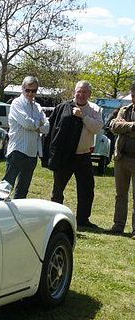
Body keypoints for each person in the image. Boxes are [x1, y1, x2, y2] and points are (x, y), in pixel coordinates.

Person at [44, 80, 103, 229]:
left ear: (89, 94)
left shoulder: (95, 110)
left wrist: (83, 116)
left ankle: (83, 219)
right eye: (79, 91)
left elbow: (96, 128)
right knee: (58, 190)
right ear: (74, 92)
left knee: (87, 190)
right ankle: (55, 218)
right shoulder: (63, 108)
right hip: (65, 156)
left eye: (85, 92)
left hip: (83, 156)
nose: (81, 95)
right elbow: (51, 131)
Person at [0, 76, 49, 200]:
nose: (30, 93)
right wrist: (38, 123)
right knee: (7, 185)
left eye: (34, 91)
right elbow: (27, 123)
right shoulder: (16, 103)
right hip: (17, 150)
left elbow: (46, 127)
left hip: (31, 153)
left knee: (23, 189)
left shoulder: (37, 107)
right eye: (27, 90)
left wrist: (36, 124)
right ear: (22, 88)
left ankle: (18, 216)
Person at [108, 81, 135, 238]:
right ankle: (118, 225)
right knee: (120, 194)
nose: (134, 98)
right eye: (132, 95)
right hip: (121, 158)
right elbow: (113, 126)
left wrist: (124, 128)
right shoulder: (125, 110)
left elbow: (120, 128)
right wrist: (131, 127)